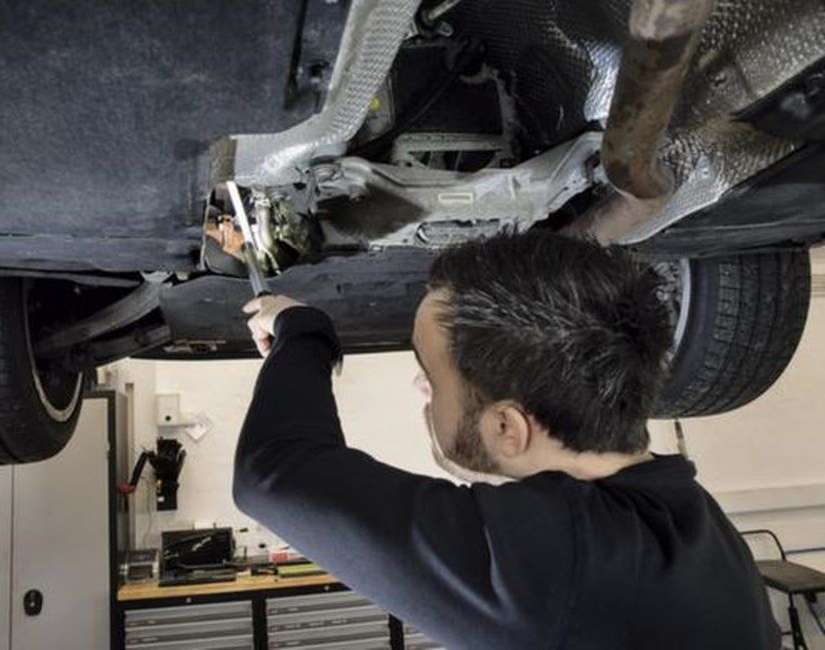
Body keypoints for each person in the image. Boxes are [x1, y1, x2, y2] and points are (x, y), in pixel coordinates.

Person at [233, 230, 780, 649]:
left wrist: (303, 331)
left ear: (506, 428)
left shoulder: (561, 569)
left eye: (431, 376)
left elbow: (275, 474)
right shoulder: (687, 514)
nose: (421, 387)